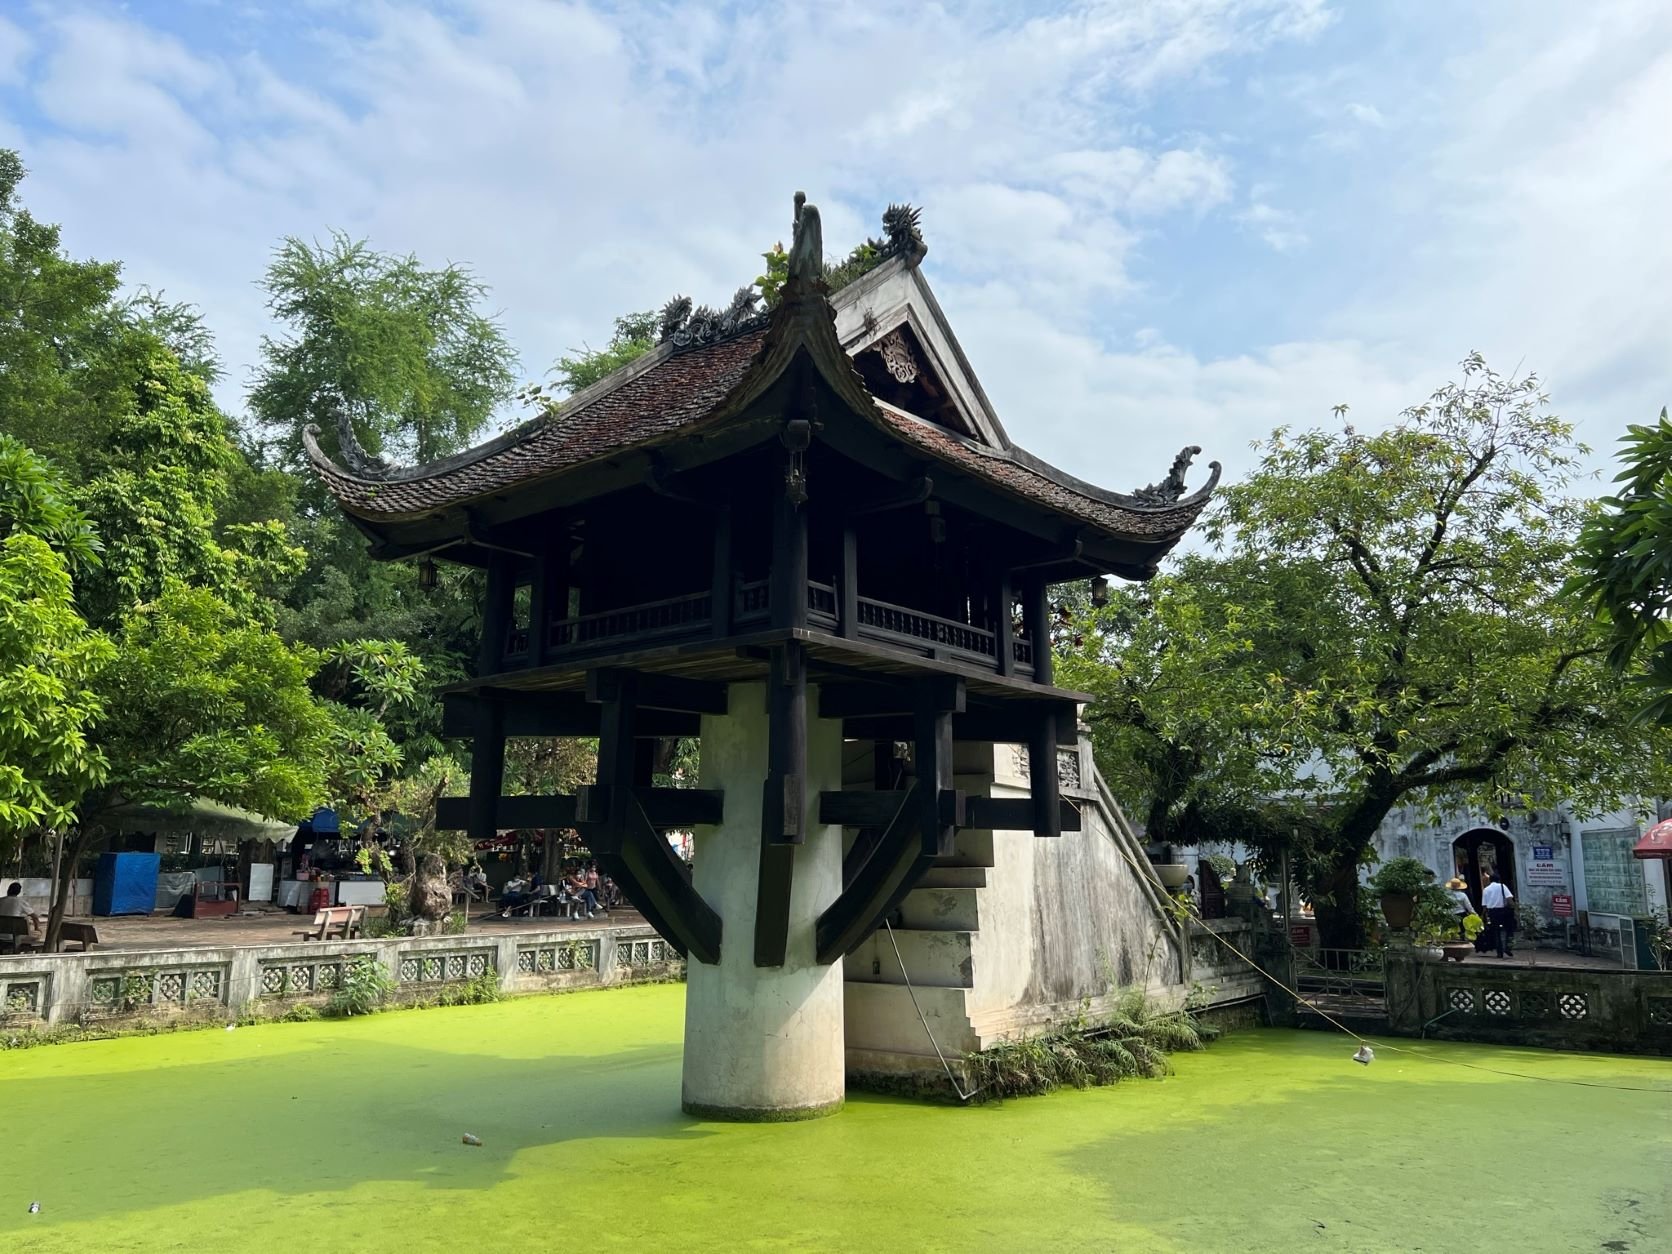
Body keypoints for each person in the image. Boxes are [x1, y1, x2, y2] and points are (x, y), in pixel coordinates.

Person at [1481, 871, 1516, 958]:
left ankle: (1499, 952)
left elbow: (1484, 906)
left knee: (1496, 932)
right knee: (1509, 929)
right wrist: (1514, 908)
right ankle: (1508, 947)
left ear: (1490, 880)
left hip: (1492, 912)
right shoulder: (1502, 886)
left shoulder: (1486, 889)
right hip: (1503, 911)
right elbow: (1509, 899)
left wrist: (1483, 916)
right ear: (1499, 880)